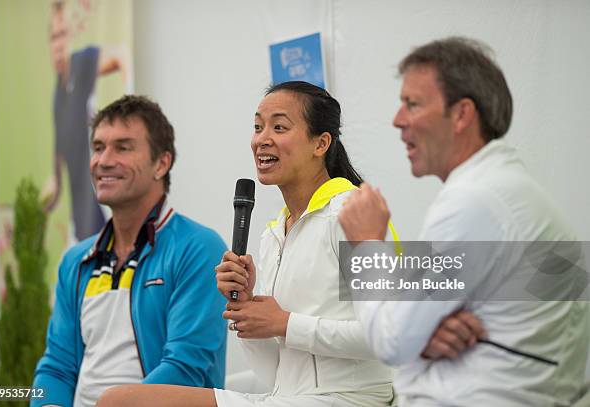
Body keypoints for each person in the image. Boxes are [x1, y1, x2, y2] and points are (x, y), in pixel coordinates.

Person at [96, 81, 399, 406]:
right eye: (257, 127)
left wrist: (285, 323)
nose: (262, 139)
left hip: (354, 400)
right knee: (118, 399)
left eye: (279, 127)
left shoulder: (354, 211)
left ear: (321, 143)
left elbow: (392, 334)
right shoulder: (273, 235)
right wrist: (246, 307)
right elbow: (273, 370)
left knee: (121, 401)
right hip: (287, 398)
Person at [338, 37, 590, 406]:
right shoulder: (509, 192)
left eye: (412, 104)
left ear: (461, 114)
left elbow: (391, 340)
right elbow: (408, 326)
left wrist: (365, 244)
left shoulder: (473, 202)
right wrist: (422, 331)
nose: (397, 120)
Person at [31, 95, 228, 407]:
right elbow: (56, 366)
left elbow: (185, 369)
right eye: (98, 147)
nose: (104, 160)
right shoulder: (75, 261)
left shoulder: (200, 248)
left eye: (122, 147)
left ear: (162, 163)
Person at [43, 0, 130, 241]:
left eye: (62, 35)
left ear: (71, 36)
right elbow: (57, 179)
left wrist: (130, 106)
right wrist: (34, 208)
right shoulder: (58, 96)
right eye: (53, 37)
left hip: (101, 216)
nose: (58, 45)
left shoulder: (83, 62)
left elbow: (121, 54)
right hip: (78, 226)